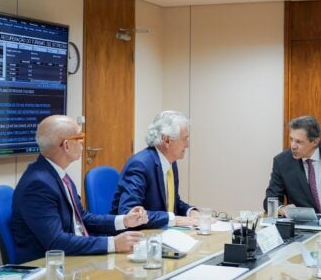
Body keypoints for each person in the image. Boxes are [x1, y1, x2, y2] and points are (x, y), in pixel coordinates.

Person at [11, 115, 147, 263]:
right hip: (50, 268)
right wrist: (113, 243)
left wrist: (124, 221)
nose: (83, 141)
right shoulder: (37, 185)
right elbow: (56, 242)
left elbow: (83, 218)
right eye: (79, 136)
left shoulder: (57, 174)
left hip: (74, 255)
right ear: (67, 145)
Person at [111, 111, 198, 228]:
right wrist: (173, 219)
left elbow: (172, 202)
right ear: (166, 140)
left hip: (161, 233)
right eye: (184, 139)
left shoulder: (171, 162)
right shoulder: (140, 164)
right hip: (136, 238)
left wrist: (190, 211)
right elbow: (130, 213)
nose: (187, 145)